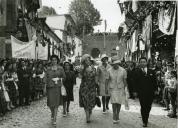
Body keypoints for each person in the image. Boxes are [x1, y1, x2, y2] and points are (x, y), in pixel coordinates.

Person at [133, 57, 157, 127]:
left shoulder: (151, 71)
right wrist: (134, 91)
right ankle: (144, 121)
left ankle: (146, 117)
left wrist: (156, 90)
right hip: (141, 92)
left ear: (146, 63)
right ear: (139, 63)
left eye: (144, 62)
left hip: (150, 92)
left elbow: (154, 82)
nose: (143, 63)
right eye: (141, 62)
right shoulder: (136, 72)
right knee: (143, 106)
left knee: (148, 107)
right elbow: (134, 82)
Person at [106, 56, 128, 124]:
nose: (115, 64)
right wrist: (106, 89)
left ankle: (117, 114)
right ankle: (114, 115)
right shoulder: (109, 70)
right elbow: (107, 80)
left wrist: (126, 89)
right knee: (113, 102)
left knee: (119, 102)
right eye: (114, 63)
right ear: (112, 64)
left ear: (118, 63)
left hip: (120, 88)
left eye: (117, 63)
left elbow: (124, 80)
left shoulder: (123, 70)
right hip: (112, 88)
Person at [46, 55, 66, 126]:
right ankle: (52, 113)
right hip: (50, 88)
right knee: (51, 104)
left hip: (57, 88)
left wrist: (59, 79)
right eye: (52, 60)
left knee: (56, 104)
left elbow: (64, 77)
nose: (54, 61)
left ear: (57, 60)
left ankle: (54, 119)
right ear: (51, 61)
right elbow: (46, 78)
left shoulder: (60, 68)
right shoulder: (48, 69)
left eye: (55, 60)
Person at [79, 54, 97, 123]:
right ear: (84, 62)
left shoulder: (93, 68)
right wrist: (81, 70)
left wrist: (96, 85)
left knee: (91, 102)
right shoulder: (82, 69)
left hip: (92, 87)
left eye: (88, 60)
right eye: (86, 60)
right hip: (84, 87)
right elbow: (80, 77)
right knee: (85, 101)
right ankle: (87, 117)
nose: (87, 61)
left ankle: (89, 111)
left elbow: (95, 77)